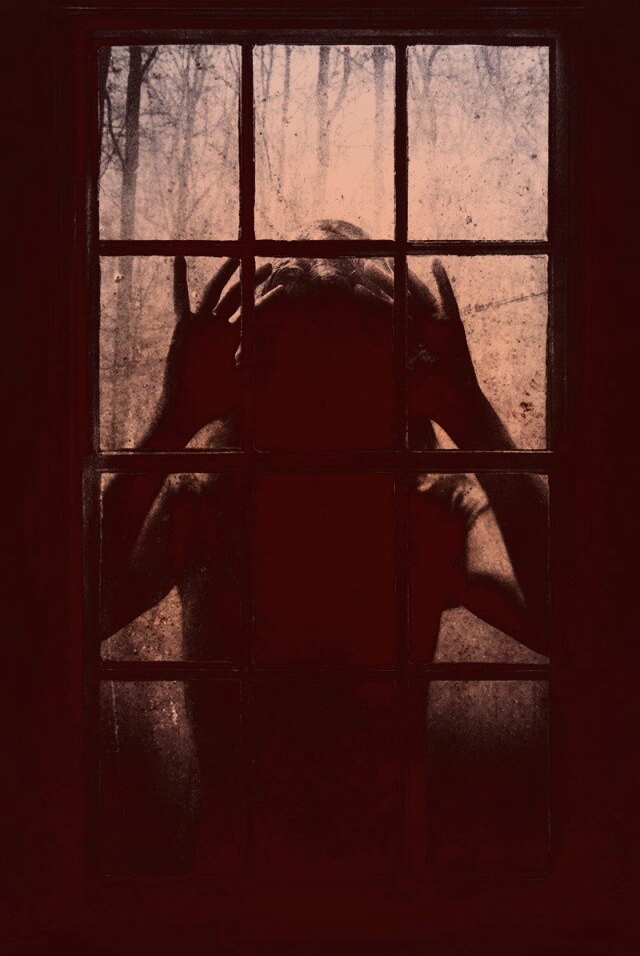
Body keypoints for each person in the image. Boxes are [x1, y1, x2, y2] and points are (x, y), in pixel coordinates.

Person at [100, 219, 549, 870]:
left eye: (342, 366)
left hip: (353, 890)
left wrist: (474, 417)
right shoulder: (209, 504)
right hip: (251, 888)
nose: (322, 401)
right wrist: (173, 419)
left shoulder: (429, 511)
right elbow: (68, 620)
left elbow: (568, 625)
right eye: (305, 366)